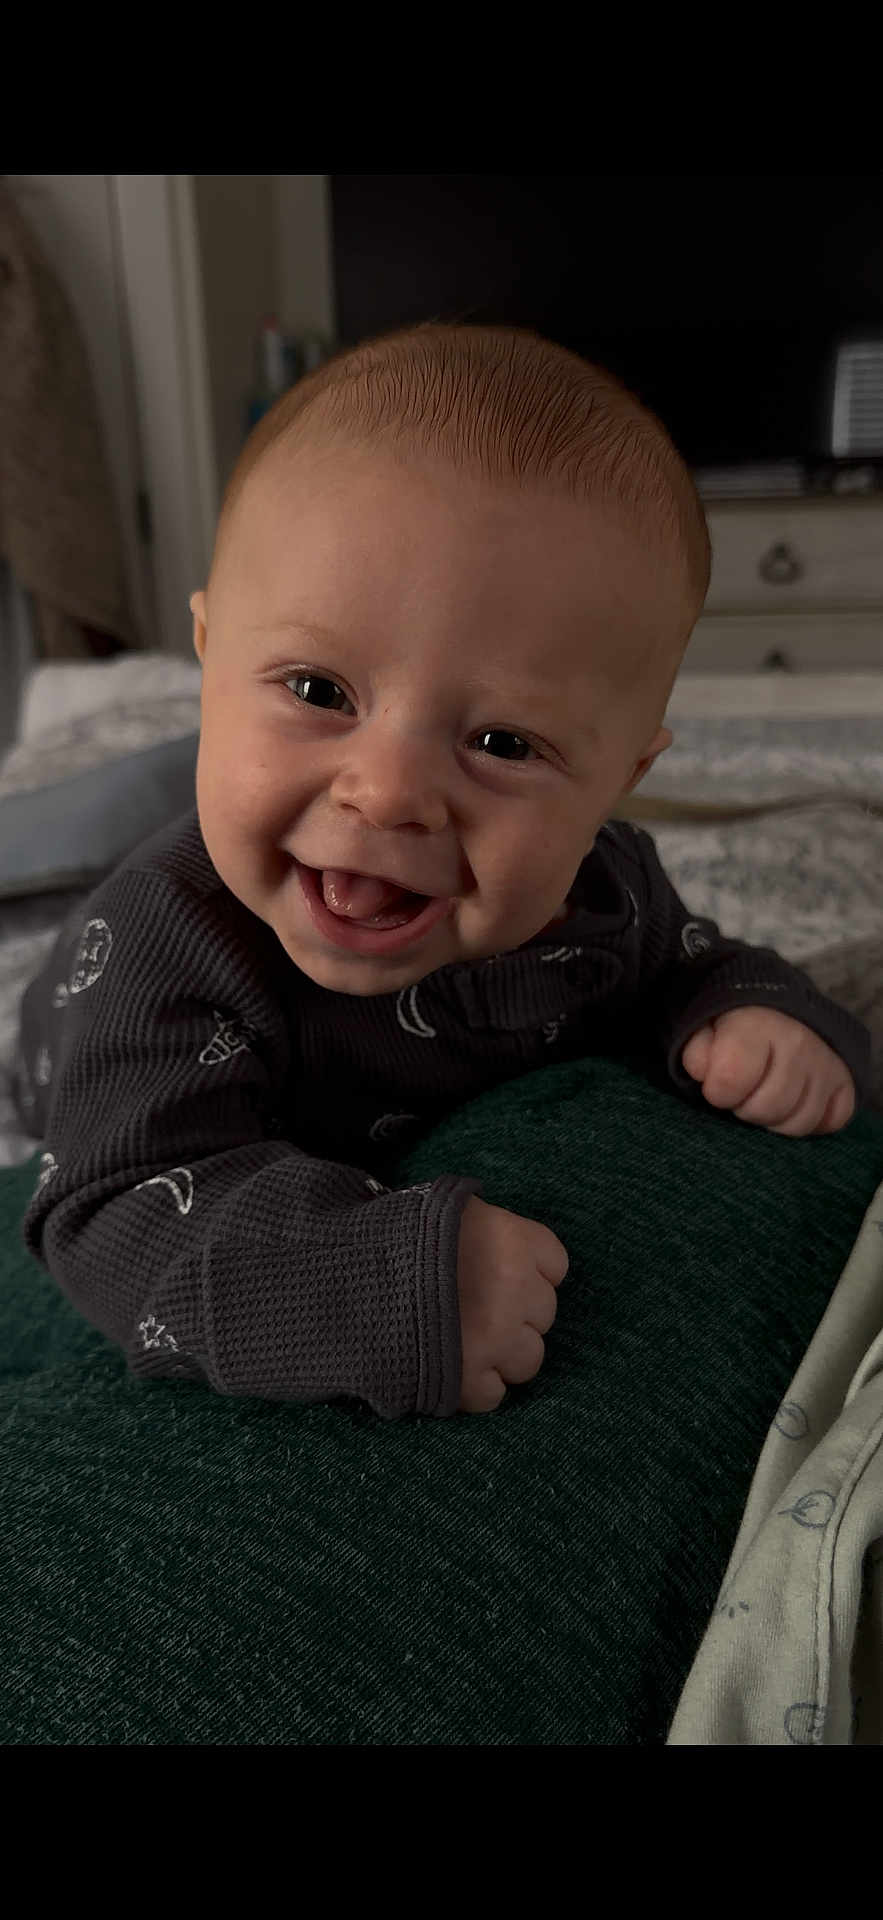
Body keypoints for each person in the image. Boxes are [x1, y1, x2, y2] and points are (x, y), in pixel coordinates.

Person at [13, 323, 872, 1420]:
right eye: (317, 691)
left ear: (620, 777)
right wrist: (368, 1286)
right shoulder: (162, 945)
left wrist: (751, 1013)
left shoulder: (602, 896)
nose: (386, 794)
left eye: (503, 744)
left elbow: (688, 966)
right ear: (208, 653)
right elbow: (115, 1209)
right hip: (76, 1061)